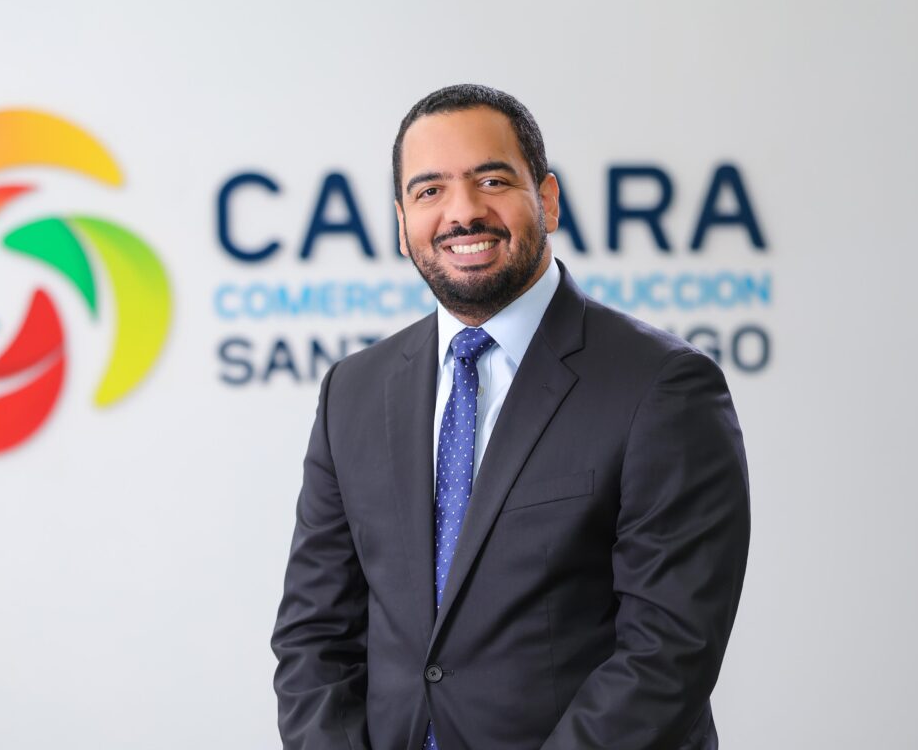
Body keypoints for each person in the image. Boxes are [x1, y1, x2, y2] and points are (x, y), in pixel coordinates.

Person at [271, 84, 750, 750]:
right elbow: (315, 635)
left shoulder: (662, 386)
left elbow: (668, 651)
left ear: (546, 199)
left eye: (492, 181)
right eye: (429, 190)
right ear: (402, 225)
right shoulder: (353, 391)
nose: (463, 212)